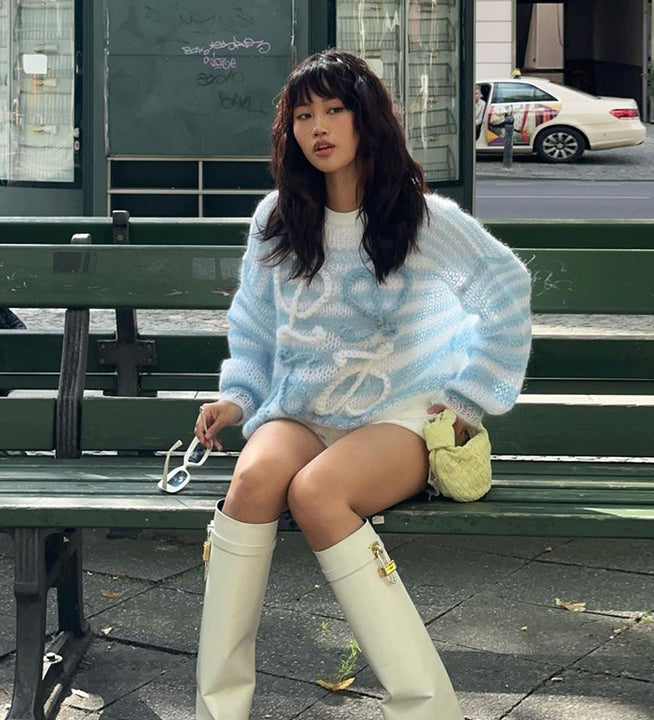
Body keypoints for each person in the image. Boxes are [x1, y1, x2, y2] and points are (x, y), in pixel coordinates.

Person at [193, 49, 532, 720]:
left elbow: (506, 289)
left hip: (398, 417)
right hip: (302, 410)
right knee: (254, 482)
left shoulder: (424, 220)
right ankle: (218, 709)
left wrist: (468, 401)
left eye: (334, 110)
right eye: (303, 115)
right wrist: (238, 396)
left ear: (365, 118)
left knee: (319, 493)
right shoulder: (278, 221)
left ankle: (427, 709)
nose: (318, 127)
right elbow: (256, 328)